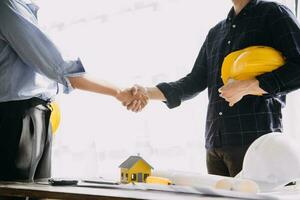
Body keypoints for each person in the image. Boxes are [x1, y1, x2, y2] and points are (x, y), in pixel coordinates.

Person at [125, 0, 300, 177]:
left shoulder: (274, 13)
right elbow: (193, 82)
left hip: (256, 144)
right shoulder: (216, 33)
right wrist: (146, 93)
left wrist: (248, 86)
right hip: (215, 146)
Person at [0, 0, 147, 186]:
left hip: (33, 114)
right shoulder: (7, 6)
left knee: (39, 191)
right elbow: (58, 66)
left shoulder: (20, 8)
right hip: (17, 117)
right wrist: (119, 92)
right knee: (15, 191)